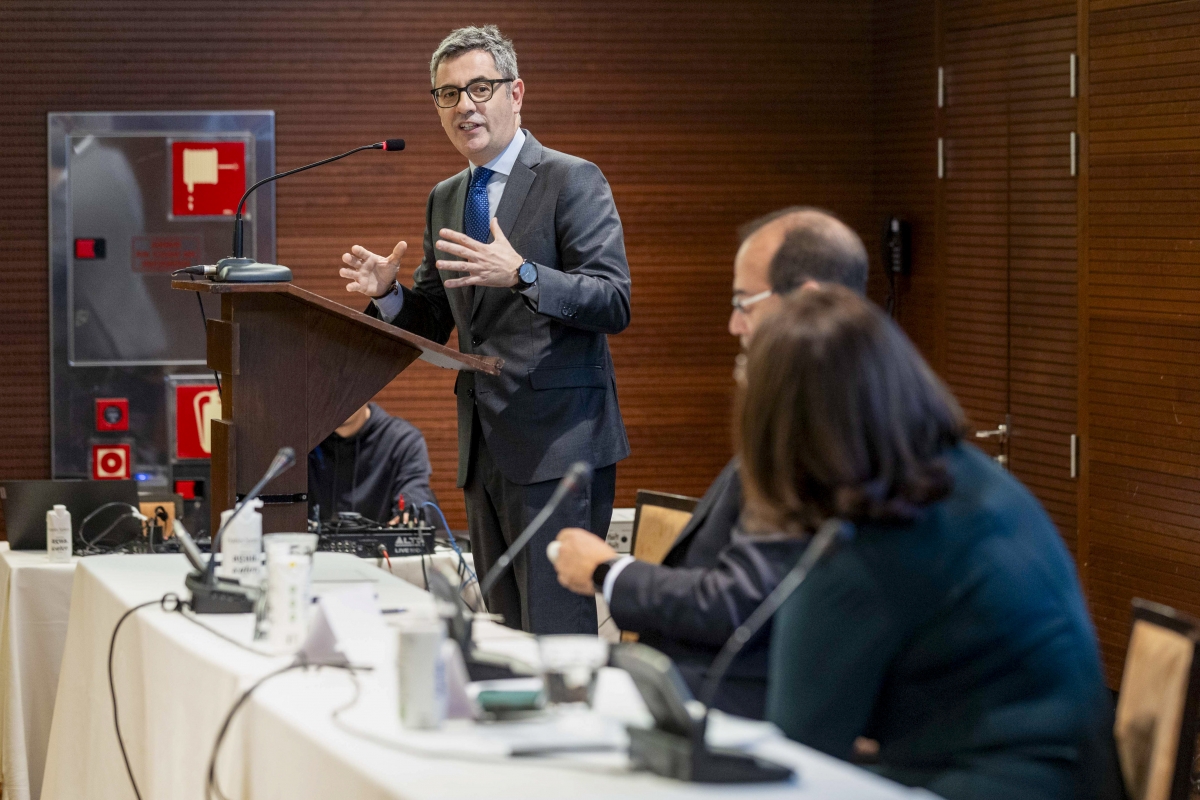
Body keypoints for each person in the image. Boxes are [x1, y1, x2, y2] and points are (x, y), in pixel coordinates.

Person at [738, 286, 1123, 800]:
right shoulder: (972, 480)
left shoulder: (864, 548)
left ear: (777, 427)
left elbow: (796, 755)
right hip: (1076, 778)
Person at [338, 26, 630, 634]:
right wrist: (390, 293)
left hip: (560, 451)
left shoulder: (570, 179)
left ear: (515, 93)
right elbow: (436, 318)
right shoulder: (446, 197)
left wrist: (522, 273)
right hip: (485, 448)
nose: (464, 106)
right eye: (447, 95)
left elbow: (612, 300)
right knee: (507, 636)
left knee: (555, 633)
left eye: (479, 87)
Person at [549, 208, 868, 717]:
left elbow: (739, 603)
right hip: (711, 685)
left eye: (744, 303)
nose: (733, 323)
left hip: (747, 704)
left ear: (806, 302)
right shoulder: (815, 407)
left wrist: (609, 572)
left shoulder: (832, 427)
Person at [307, 402, 436, 525]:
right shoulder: (299, 440)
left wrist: (409, 513)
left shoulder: (403, 440)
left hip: (383, 547)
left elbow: (413, 493)